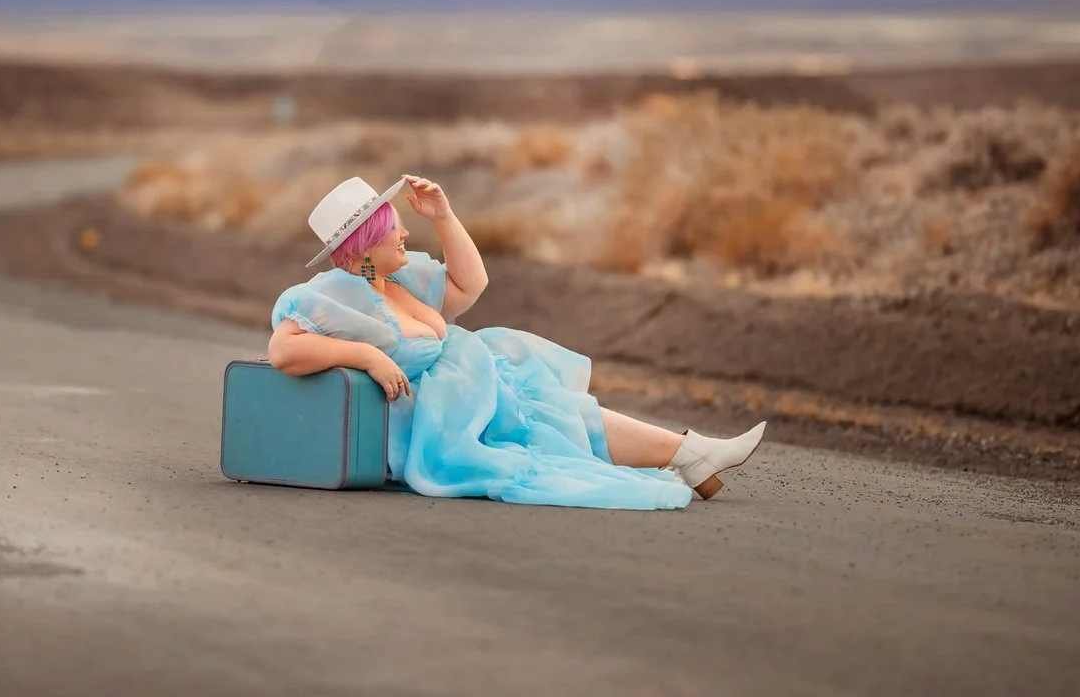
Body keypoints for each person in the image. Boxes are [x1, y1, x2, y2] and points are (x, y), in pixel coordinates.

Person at [266, 174, 768, 511]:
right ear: (366, 242)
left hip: (475, 390)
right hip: (441, 421)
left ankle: (688, 452)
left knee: (554, 406)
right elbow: (283, 351)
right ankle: (689, 453)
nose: (405, 234)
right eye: (395, 227)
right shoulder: (333, 293)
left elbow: (471, 284)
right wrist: (367, 355)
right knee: (547, 417)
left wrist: (443, 216)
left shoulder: (399, 279)